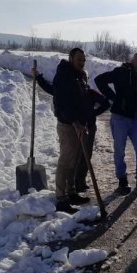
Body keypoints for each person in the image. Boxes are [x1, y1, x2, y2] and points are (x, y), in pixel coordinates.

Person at [32, 63, 109, 195]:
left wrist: (92, 114)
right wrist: (39, 77)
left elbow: (106, 103)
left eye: (85, 79)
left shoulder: (90, 93)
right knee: (73, 158)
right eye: (81, 79)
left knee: (85, 157)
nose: (83, 81)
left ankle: (80, 182)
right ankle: (70, 187)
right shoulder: (73, 92)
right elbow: (52, 89)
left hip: (89, 128)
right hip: (76, 127)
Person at [51, 48, 108, 213]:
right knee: (66, 161)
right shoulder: (63, 76)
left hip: (79, 125)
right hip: (68, 126)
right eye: (79, 59)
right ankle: (61, 199)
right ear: (70, 58)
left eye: (83, 60)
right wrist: (75, 122)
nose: (82, 62)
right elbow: (61, 104)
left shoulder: (79, 76)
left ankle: (71, 193)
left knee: (74, 162)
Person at [95, 52, 137, 194]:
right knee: (120, 150)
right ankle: (122, 181)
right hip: (120, 118)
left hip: (135, 120)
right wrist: (113, 97)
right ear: (132, 61)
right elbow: (99, 80)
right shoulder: (121, 72)